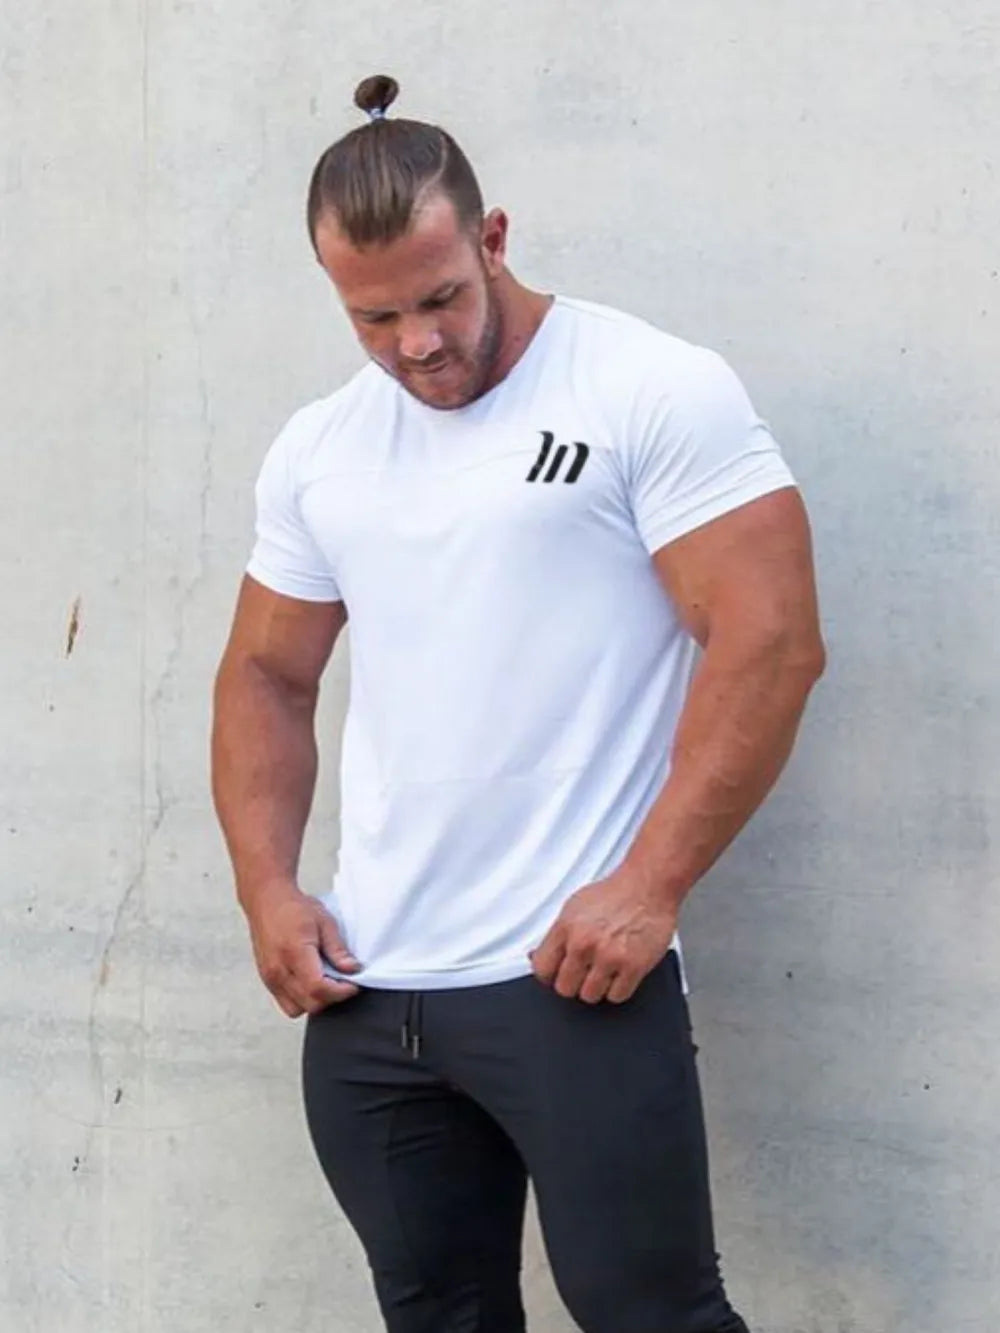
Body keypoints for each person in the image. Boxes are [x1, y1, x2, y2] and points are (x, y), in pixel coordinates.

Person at [211, 72, 825, 1333]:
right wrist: (267, 888)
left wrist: (650, 884)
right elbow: (267, 672)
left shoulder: (645, 386)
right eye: (374, 316)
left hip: (570, 983)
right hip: (370, 996)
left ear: (492, 238)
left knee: (652, 1315)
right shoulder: (322, 447)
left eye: (439, 297)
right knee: (437, 1314)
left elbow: (770, 644)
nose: (416, 344)